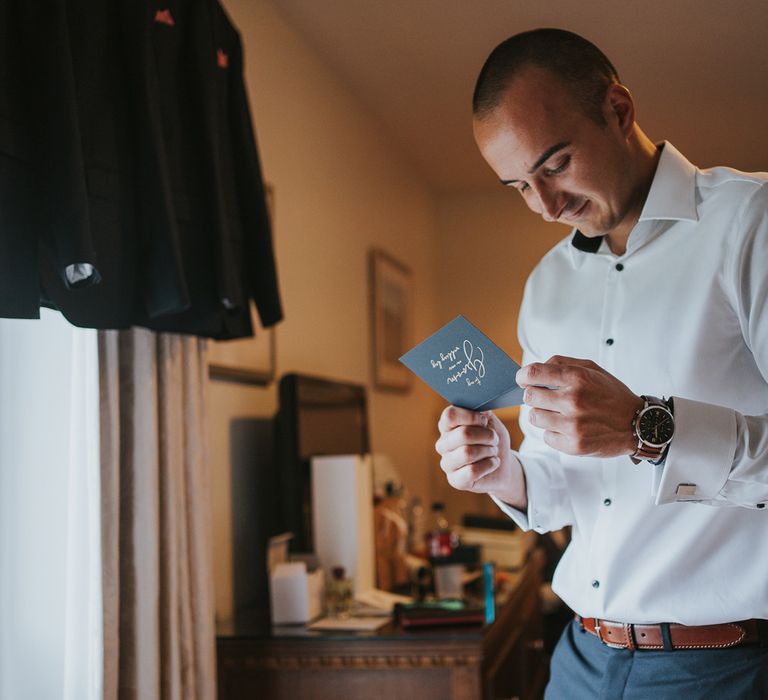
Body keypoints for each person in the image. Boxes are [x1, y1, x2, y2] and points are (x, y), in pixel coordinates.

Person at [434, 28, 768, 698]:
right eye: (519, 187)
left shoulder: (749, 221)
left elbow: (639, 435)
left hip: (720, 668)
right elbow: (564, 484)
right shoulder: (545, 287)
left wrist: (649, 425)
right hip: (580, 660)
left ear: (618, 111)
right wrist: (505, 471)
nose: (547, 207)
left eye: (554, 165)